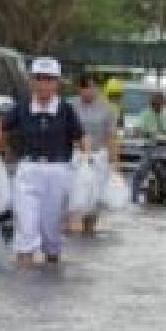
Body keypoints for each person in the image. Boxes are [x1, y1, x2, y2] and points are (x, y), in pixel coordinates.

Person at [0, 58, 89, 266]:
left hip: (58, 171)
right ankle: (25, 287)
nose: (44, 84)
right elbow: (1, 125)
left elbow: (81, 138)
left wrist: (87, 164)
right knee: (26, 227)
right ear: (32, 82)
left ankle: (51, 270)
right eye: (39, 79)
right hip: (28, 171)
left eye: (49, 79)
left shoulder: (66, 110)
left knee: (50, 230)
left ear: (57, 83)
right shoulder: (22, 107)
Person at [69, 73, 120, 235]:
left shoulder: (108, 109)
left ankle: (88, 228)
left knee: (93, 194)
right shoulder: (70, 106)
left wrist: (114, 161)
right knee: (73, 192)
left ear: (98, 88)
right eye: (84, 87)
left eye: (92, 87)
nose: (88, 91)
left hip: (98, 157)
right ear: (79, 89)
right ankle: (69, 223)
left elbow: (111, 136)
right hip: (75, 155)